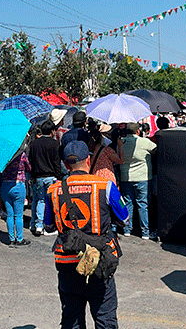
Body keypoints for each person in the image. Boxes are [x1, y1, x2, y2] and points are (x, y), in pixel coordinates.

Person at [44, 141, 129, 328]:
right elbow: (125, 218)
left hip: (67, 263)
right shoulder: (105, 186)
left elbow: (48, 226)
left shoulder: (53, 190)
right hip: (99, 261)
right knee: (105, 317)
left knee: (71, 319)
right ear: (88, 161)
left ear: (65, 165)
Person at [119, 122, 156, 239]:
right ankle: (145, 231)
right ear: (138, 131)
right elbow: (155, 149)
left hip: (125, 177)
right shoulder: (145, 142)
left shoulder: (121, 143)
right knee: (143, 204)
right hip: (142, 177)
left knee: (128, 203)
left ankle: (127, 229)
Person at [28, 120, 62, 236]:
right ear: (52, 131)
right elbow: (57, 162)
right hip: (51, 176)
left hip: (38, 176)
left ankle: (37, 225)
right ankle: (47, 224)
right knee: (51, 202)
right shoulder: (55, 144)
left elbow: (31, 161)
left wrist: (32, 175)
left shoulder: (34, 144)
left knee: (39, 200)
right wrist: (59, 177)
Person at [1, 152, 31, 246]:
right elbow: (29, 168)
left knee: (10, 215)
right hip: (18, 184)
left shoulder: (3, 155)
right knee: (18, 215)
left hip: (5, 185)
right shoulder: (22, 155)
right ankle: (19, 239)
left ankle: (11, 239)